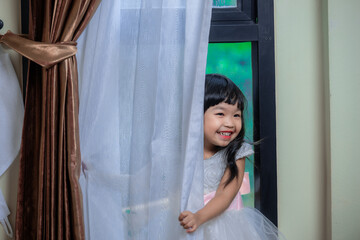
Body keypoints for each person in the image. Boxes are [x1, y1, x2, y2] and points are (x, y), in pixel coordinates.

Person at [178, 74, 285, 239]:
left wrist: (199, 217)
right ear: (195, 116)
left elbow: (225, 195)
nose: (230, 123)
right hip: (188, 220)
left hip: (223, 227)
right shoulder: (184, 153)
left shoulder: (236, 153)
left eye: (236, 115)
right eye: (220, 114)